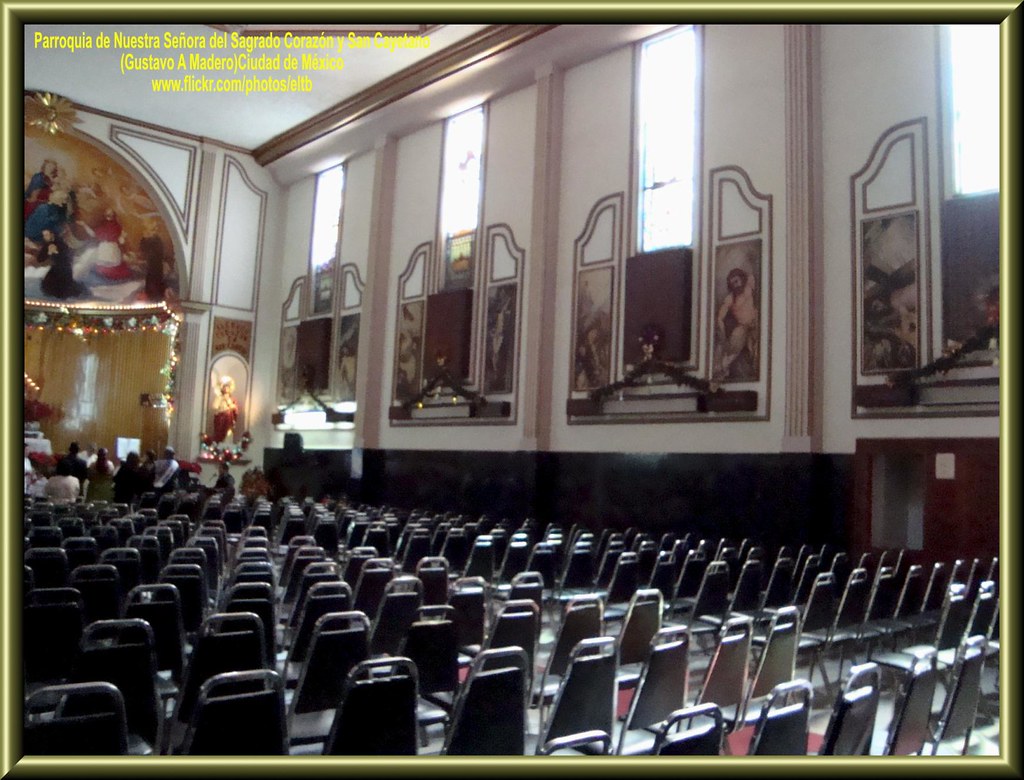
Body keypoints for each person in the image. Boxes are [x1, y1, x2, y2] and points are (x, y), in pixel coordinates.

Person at [714, 267, 759, 381]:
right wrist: (723, 335)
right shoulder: (730, 298)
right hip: (742, 327)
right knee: (731, 351)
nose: (736, 285)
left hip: (756, 323)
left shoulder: (749, 286)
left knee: (757, 352)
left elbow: (751, 275)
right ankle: (721, 372)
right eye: (732, 283)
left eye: (737, 281)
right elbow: (719, 318)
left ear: (742, 279)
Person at [38, 227, 87, 300]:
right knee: (49, 284)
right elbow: (40, 259)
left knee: (63, 286)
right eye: (44, 235)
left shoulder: (60, 243)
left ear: (52, 234)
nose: (45, 237)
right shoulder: (47, 245)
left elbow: (67, 257)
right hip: (56, 268)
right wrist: (48, 252)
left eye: (47, 235)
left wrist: (56, 252)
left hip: (64, 268)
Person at [212, 376, 239, 443]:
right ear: (222, 388)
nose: (226, 389)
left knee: (228, 434)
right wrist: (221, 401)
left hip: (229, 419)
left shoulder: (231, 399)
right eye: (225, 387)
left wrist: (229, 403)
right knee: (219, 433)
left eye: (228, 387)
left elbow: (234, 408)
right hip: (220, 418)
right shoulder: (219, 398)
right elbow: (214, 407)